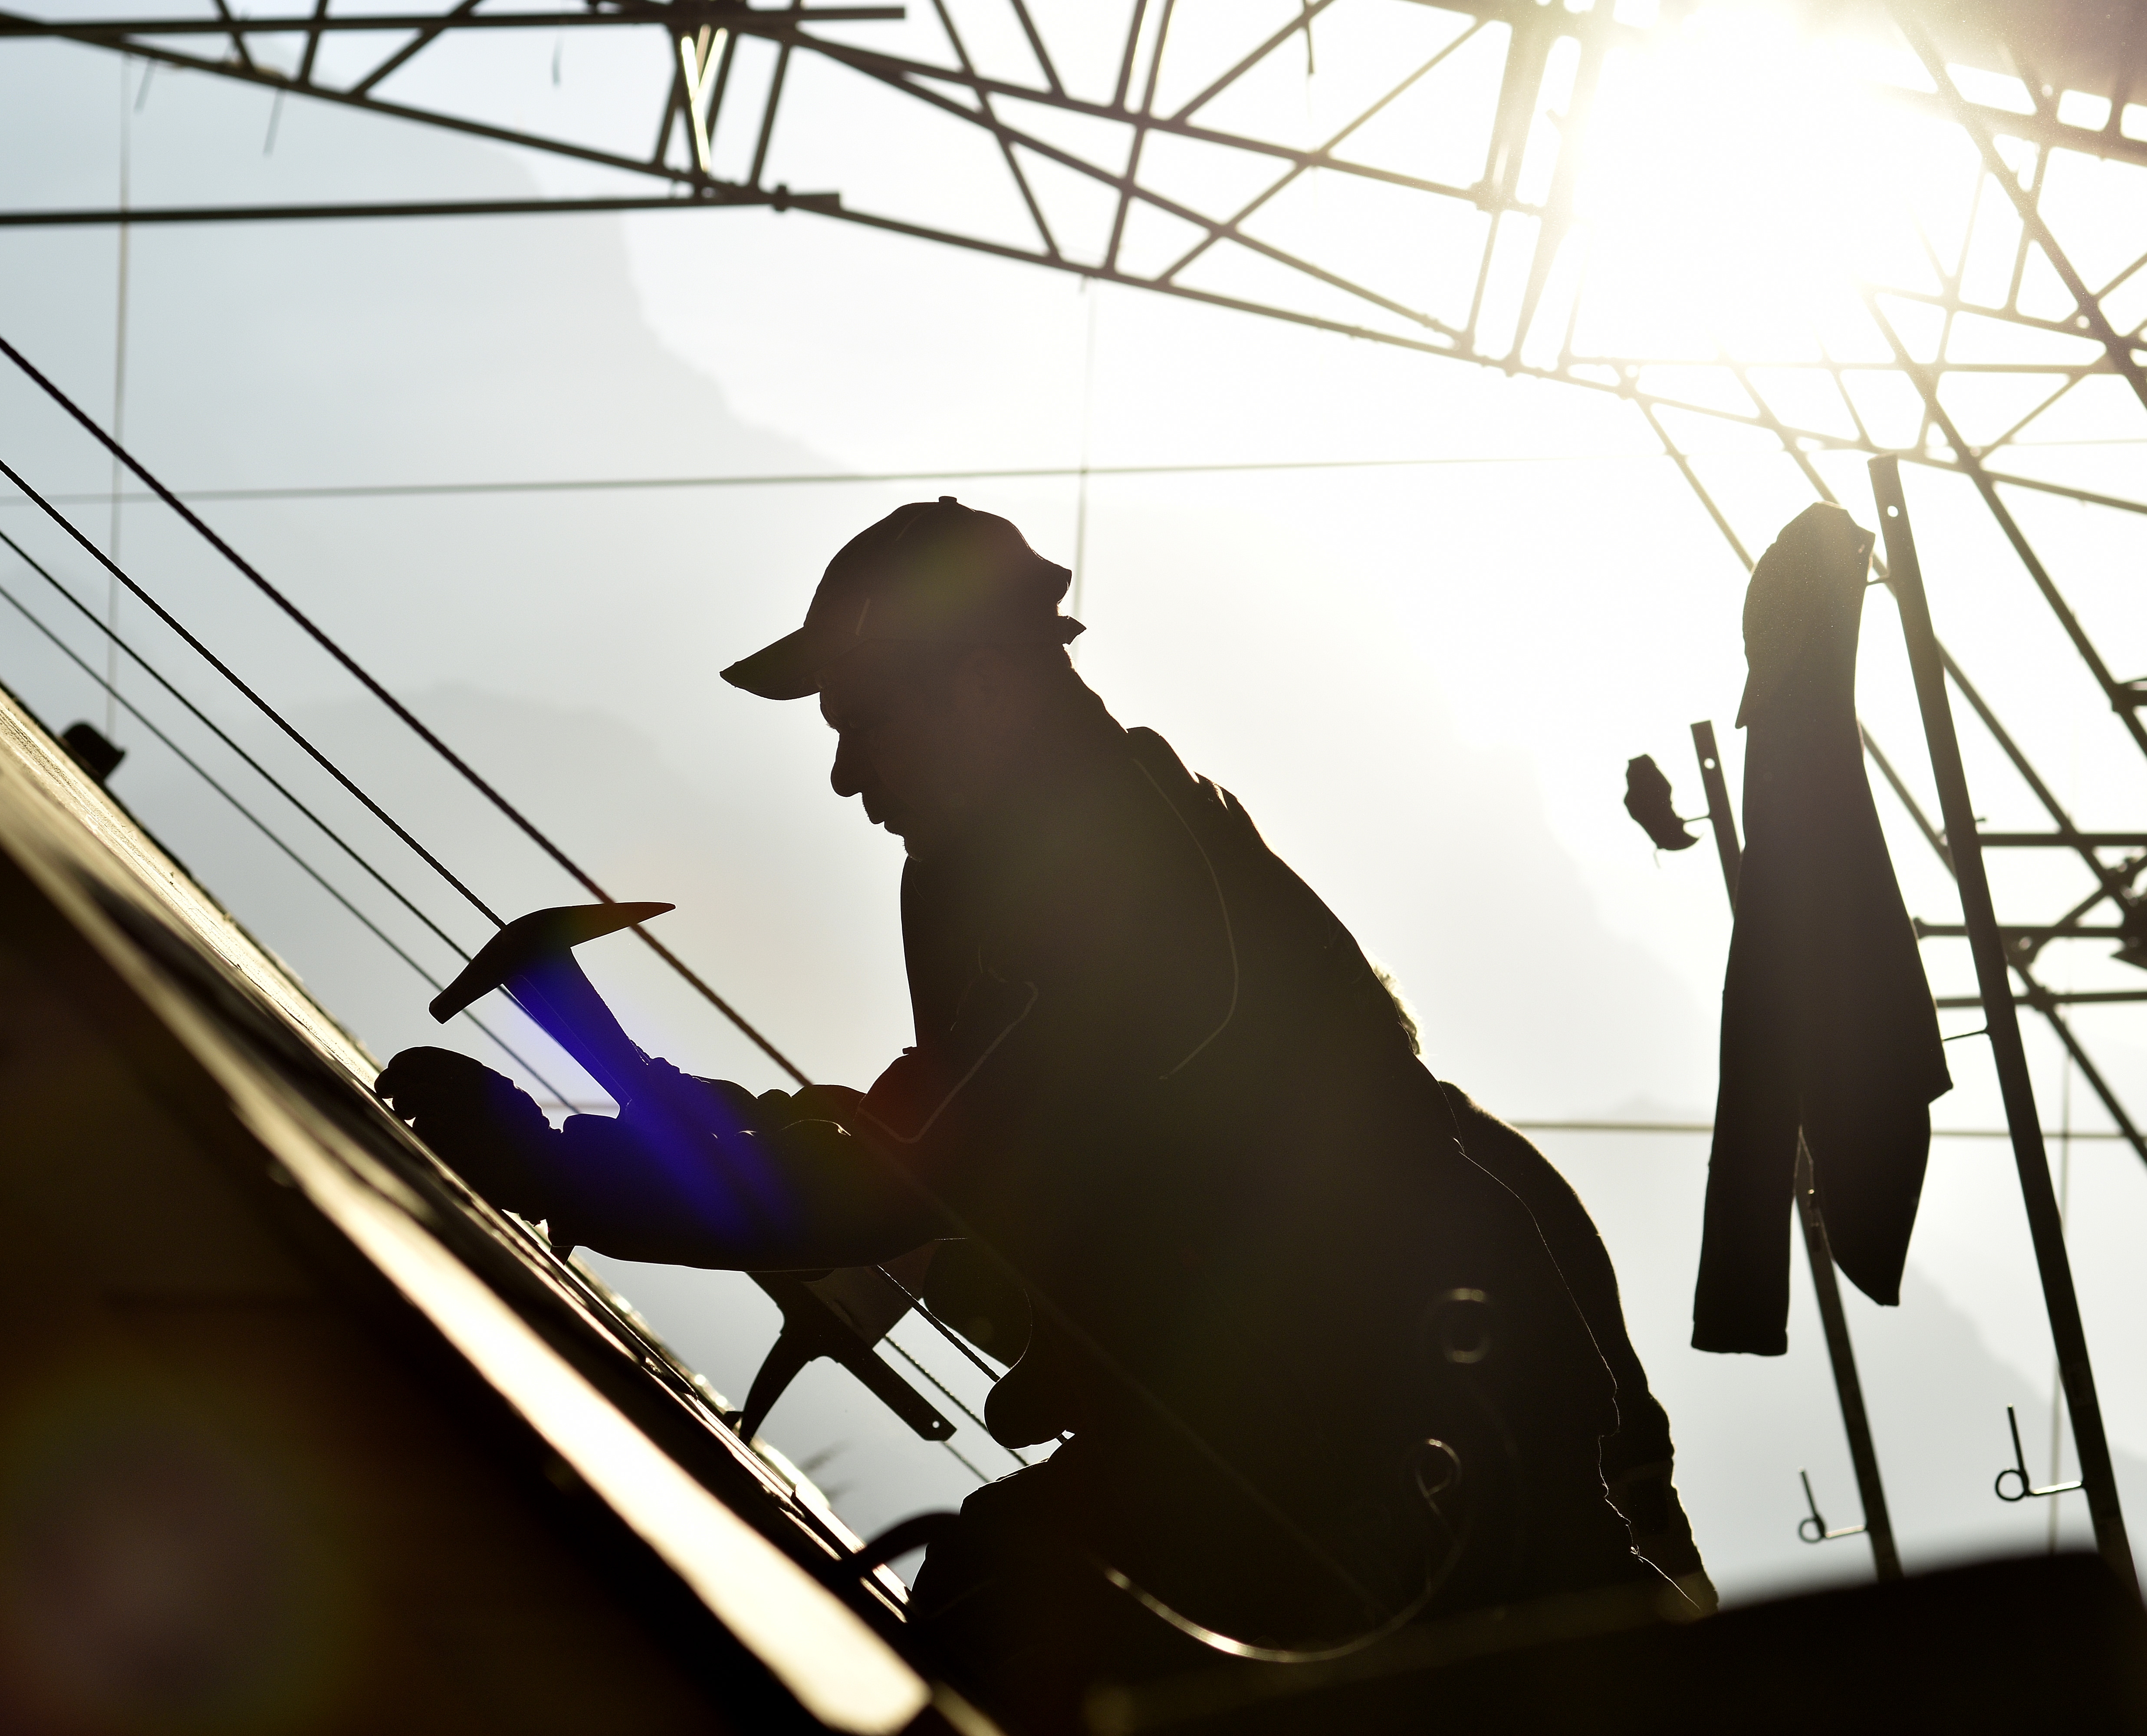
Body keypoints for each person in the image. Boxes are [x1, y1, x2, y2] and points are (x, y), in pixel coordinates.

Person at [378, 499, 1704, 1724]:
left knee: (1003, 1617)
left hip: (1386, 1441)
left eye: (863, 718)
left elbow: (905, 1176)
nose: (844, 774)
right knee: (1003, 1611)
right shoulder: (1044, 857)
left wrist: (567, 1164)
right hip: (1331, 1426)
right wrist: (636, 1111)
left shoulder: (1091, 863)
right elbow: (911, 1136)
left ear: (986, 682)